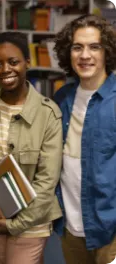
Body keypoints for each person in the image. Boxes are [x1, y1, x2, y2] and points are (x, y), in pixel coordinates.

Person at [0, 32, 63, 264]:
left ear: (27, 62)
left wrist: (16, 224)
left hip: (31, 222)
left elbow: (47, 181)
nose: (6, 70)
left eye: (13, 62)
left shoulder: (48, 113)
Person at [53, 14, 116, 264]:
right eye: (77, 47)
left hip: (109, 231)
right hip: (70, 227)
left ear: (107, 52)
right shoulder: (62, 98)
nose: (85, 55)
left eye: (94, 47)